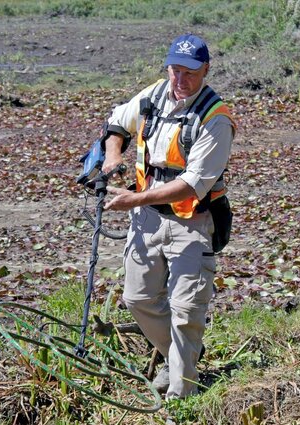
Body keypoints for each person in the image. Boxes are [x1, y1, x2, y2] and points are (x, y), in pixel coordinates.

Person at [99, 33, 235, 399]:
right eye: (175, 69)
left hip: (191, 222)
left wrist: (133, 199)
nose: (180, 79)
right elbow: (115, 124)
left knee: (186, 310)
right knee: (138, 299)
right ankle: (181, 356)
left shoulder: (215, 119)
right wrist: (113, 157)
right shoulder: (155, 94)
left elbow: (193, 185)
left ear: (205, 69)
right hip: (146, 219)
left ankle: (181, 398)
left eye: (189, 72)